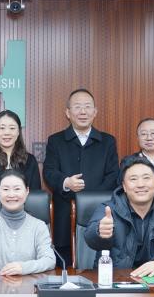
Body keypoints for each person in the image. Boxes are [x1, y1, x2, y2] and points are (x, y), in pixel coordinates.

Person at [43, 89, 119, 266]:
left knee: (98, 266)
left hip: (100, 214)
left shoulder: (108, 141)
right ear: (68, 113)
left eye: (87, 107)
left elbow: (113, 175)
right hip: (64, 215)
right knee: (65, 267)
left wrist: (91, 199)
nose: (83, 112)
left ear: (95, 112)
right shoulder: (56, 140)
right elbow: (49, 171)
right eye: (77, 107)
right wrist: (66, 182)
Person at [84, 156, 154, 277]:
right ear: (124, 186)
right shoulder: (108, 209)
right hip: (115, 279)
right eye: (133, 179)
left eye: (146, 178)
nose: (140, 184)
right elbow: (90, 238)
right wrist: (100, 231)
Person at [0, 109, 41, 191]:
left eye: (12, 128)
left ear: (18, 132)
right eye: (2, 128)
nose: (7, 132)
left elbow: (36, 194)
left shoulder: (30, 160)